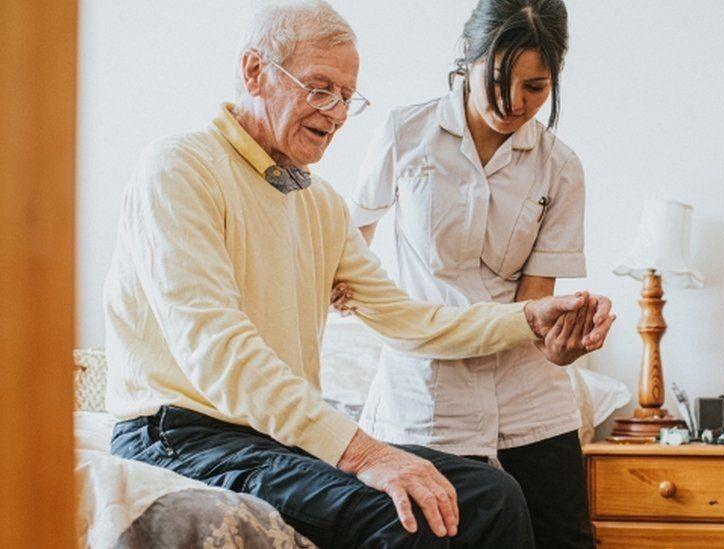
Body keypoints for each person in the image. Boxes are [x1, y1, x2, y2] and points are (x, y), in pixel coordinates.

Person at [103, 2, 613, 547]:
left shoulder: (317, 202)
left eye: (347, 97)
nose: (337, 113)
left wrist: (528, 317)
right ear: (255, 71)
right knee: (408, 516)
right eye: (320, 89)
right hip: (181, 433)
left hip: (273, 435)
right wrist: (367, 452)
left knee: (489, 494)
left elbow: (410, 321)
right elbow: (219, 351)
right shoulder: (181, 167)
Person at [349, 1, 603, 546]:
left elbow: (534, 308)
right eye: (498, 81)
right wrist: (349, 290)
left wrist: (560, 345)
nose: (514, 103)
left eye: (536, 88)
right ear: (466, 61)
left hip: (530, 400)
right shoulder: (404, 133)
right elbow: (348, 242)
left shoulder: (561, 168)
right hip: (426, 401)